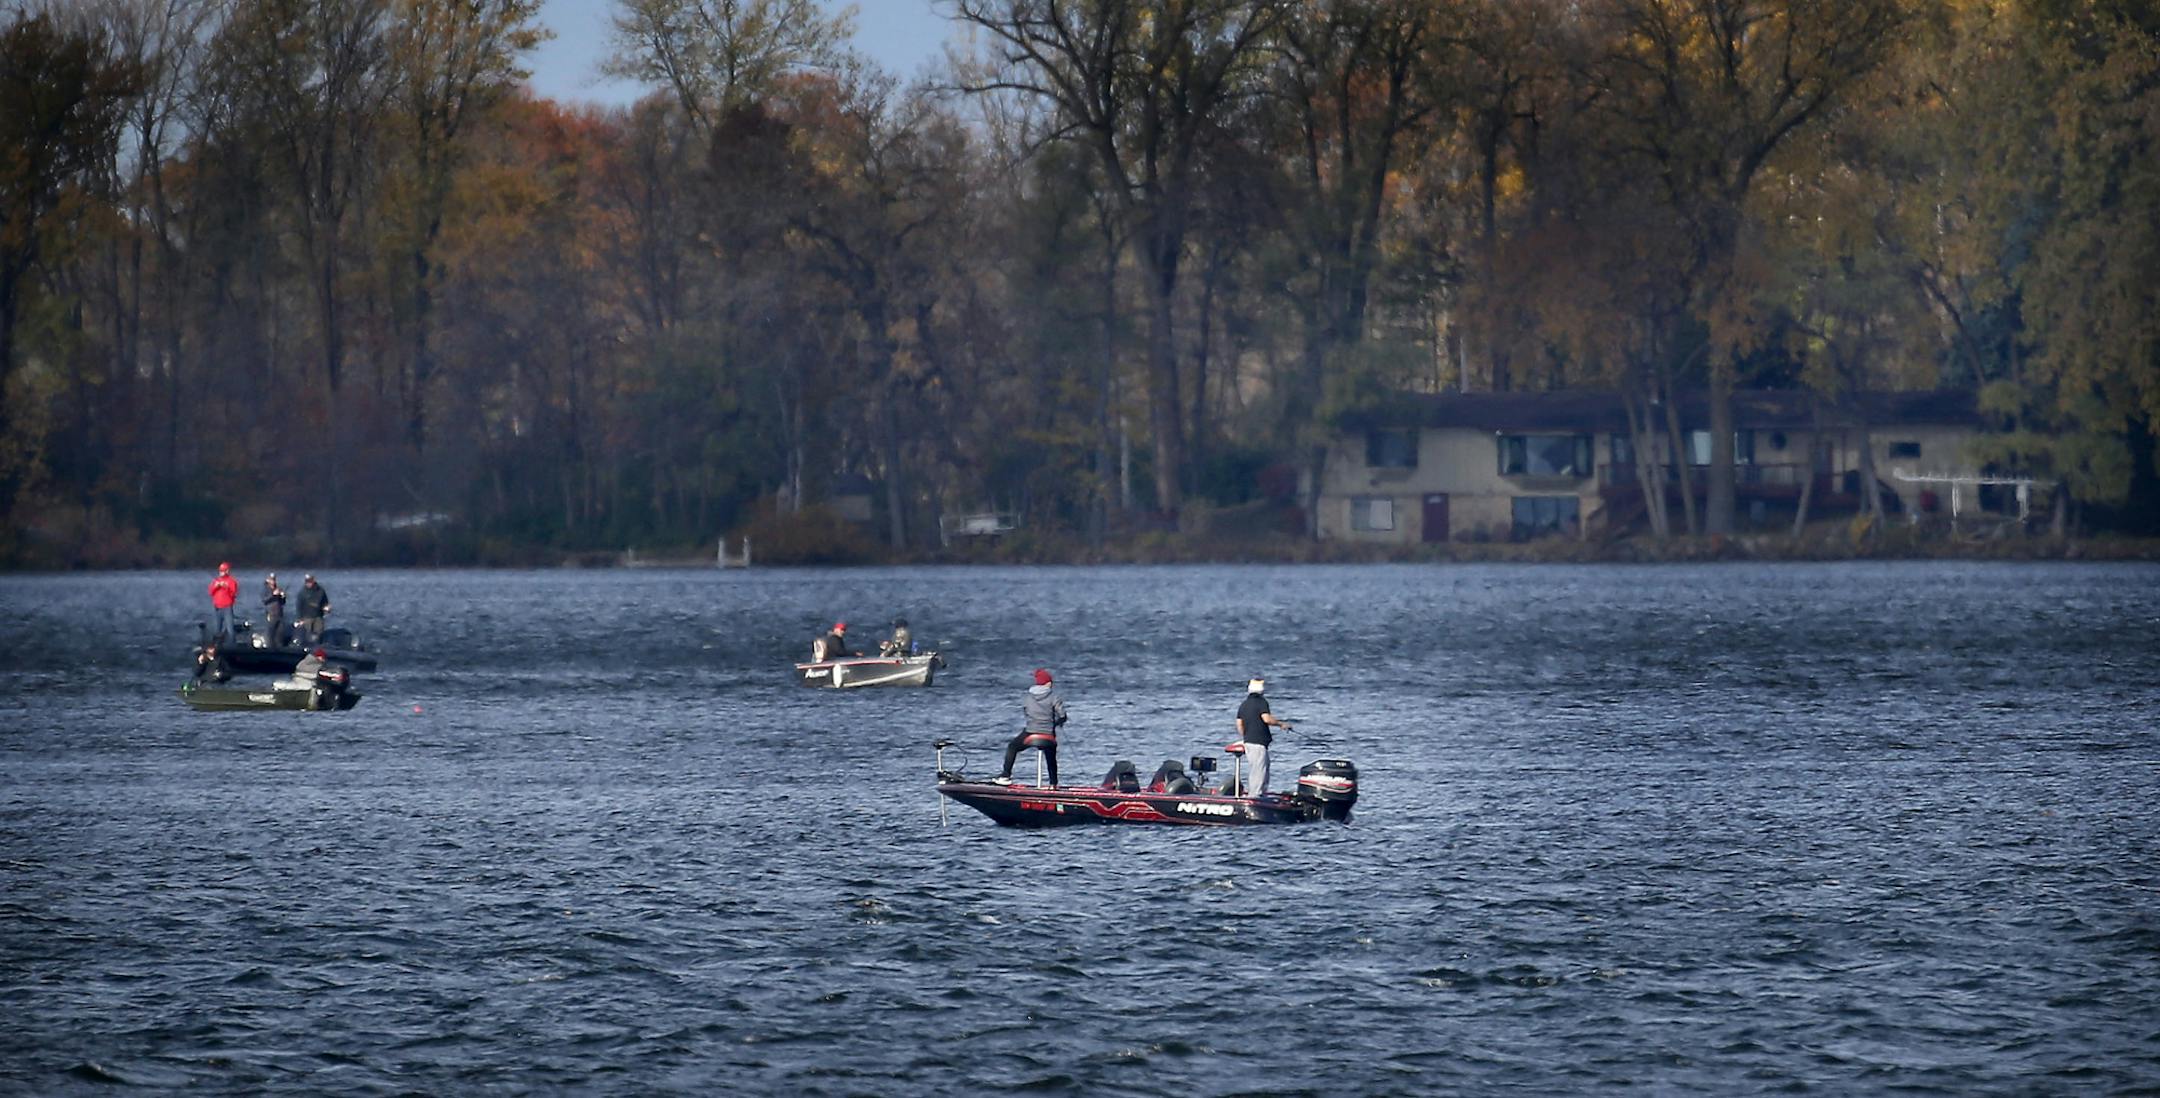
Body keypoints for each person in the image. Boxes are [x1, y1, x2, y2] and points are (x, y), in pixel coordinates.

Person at [997, 668, 1068, 786]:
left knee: (1012, 747)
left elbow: (1026, 713)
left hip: (1031, 732)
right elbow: (1062, 715)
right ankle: (1053, 784)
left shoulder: (1027, 697)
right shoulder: (1054, 697)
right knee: (1051, 757)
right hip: (1048, 734)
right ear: (1048, 683)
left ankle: (1005, 775)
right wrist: (1057, 723)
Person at [1235, 677, 1291, 795]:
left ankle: (1258, 793)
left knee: (1257, 768)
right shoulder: (1261, 702)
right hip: (1258, 742)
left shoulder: (1244, 704)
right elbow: (1266, 718)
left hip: (1249, 742)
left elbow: (1239, 724)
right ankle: (1255, 795)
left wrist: (1245, 736)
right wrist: (1281, 724)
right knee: (1259, 770)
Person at [207, 562, 239, 641]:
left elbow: (234, 594)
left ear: (227, 571)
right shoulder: (216, 581)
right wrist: (216, 587)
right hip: (217, 608)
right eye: (220, 571)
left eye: (223, 570)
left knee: (230, 629)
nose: (221, 572)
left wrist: (226, 587)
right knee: (217, 629)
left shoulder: (232, 581)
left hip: (227, 608)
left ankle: (232, 645)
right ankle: (217, 644)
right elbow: (210, 592)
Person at [295, 574, 330, 644]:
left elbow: (325, 602)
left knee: (319, 635)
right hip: (307, 618)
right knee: (307, 636)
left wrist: (327, 608)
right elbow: (299, 607)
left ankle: (318, 648)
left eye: (310, 581)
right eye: (307, 582)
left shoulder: (321, 591)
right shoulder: (302, 592)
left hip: (318, 617)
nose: (308, 583)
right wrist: (299, 619)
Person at [260, 573, 288, 647]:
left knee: (280, 632)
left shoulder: (277, 588)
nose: (273, 581)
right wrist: (273, 595)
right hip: (271, 613)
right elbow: (264, 600)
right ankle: (269, 647)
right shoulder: (265, 589)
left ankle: (280, 647)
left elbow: (283, 603)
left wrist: (283, 596)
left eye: (274, 579)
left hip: (279, 613)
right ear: (268, 580)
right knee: (270, 632)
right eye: (271, 579)